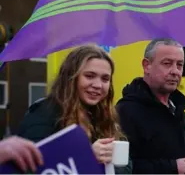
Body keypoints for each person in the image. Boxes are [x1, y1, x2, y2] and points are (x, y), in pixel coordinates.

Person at [16, 45, 132, 174]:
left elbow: (126, 167)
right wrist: (85, 156)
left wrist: (114, 162)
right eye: (89, 76)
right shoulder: (45, 112)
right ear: (71, 77)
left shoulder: (105, 115)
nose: (98, 85)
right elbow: (30, 167)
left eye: (105, 79)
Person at [116, 38, 185, 174]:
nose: (175, 71)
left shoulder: (180, 113)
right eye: (167, 63)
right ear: (147, 65)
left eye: (179, 65)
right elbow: (122, 168)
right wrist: (173, 167)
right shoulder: (126, 111)